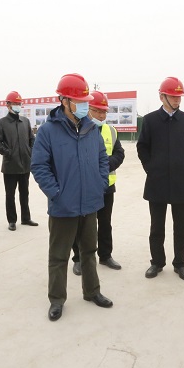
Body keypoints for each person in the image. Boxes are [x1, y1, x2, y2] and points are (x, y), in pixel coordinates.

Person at [31, 73, 113, 322]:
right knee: (59, 256)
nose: (85, 106)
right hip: (63, 206)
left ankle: (92, 291)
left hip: (90, 203)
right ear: (64, 101)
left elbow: (102, 159)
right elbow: (39, 166)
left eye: (86, 101)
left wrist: (99, 184)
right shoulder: (48, 131)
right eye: (79, 101)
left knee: (89, 251)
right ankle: (57, 300)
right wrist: (56, 193)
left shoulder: (91, 129)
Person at [137, 77, 184, 282]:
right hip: (157, 182)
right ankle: (156, 262)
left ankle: (180, 264)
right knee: (157, 227)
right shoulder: (150, 120)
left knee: (182, 228)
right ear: (162, 97)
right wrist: (151, 168)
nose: (177, 100)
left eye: (179, 97)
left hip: (182, 183)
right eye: (173, 96)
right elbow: (142, 147)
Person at [71, 90, 125, 275]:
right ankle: (78, 259)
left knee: (105, 223)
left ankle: (105, 255)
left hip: (106, 186)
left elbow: (119, 153)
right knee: (81, 225)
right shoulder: (77, 130)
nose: (102, 115)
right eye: (97, 111)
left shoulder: (111, 130)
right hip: (84, 187)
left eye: (104, 112)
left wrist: (104, 166)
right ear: (88, 109)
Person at [0, 90, 38, 231]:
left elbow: (32, 139)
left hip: (25, 164)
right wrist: (8, 153)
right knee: (10, 195)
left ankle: (26, 218)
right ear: (8, 105)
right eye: (15, 103)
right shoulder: (2, 123)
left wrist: (30, 151)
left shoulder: (25, 121)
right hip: (10, 165)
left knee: (25, 193)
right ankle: (12, 220)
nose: (18, 106)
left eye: (19, 103)